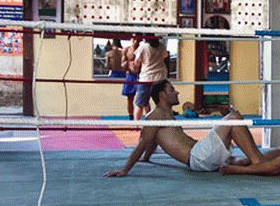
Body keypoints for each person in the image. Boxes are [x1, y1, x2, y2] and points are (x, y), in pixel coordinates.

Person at [104, 80, 267, 177]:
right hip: (198, 158)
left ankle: (251, 161)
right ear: (162, 95)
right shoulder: (155, 116)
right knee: (234, 118)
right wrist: (125, 170)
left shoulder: (163, 116)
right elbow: (143, 142)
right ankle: (258, 162)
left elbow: (151, 142)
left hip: (200, 157)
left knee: (233, 126)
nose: (177, 92)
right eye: (171, 90)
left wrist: (146, 158)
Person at [130, 36, 168, 120]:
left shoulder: (143, 47)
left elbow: (136, 63)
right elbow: (165, 56)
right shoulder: (162, 46)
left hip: (146, 78)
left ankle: (136, 125)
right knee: (162, 104)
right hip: (160, 77)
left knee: (140, 103)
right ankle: (164, 125)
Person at [121, 35, 141, 119]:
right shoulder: (126, 50)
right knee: (130, 98)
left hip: (141, 75)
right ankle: (131, 117)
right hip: (130, 75)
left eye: (137, 38)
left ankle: (147, 119)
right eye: (134, 38)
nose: (135, 40)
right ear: (131, 39)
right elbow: (122, 65)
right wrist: (129, 61)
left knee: (144, 99)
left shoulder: (142, 49)